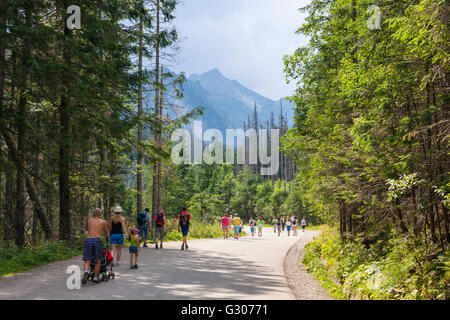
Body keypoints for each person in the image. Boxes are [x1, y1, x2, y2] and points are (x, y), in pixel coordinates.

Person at [82, 208, 109, 284]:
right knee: (97, 260)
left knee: (87, 259)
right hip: (97, 240)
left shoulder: (89, 220)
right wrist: (106, 237)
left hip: (88, 240)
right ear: (100, 214)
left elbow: (88, 229)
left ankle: (86, 272)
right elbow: (107, 232)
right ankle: (95, 278)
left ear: (93, 214)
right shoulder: (103, 222)